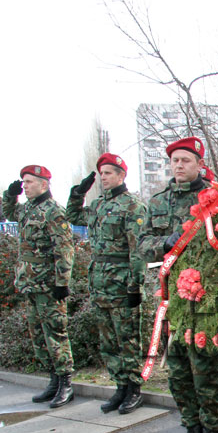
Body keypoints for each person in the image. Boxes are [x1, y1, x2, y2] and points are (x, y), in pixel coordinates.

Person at [138, 136, 218, 433]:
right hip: (173, 301)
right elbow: (142, 244)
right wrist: (164, 242)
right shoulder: (158, 202)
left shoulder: (214, 199)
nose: (179, 165)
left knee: (207, 374)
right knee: (178, 374)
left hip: (206, 303)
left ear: (199, 164)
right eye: (174, 160)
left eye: (185, 160)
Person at [66, 154, 147, 414]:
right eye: (101, 174)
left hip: (121, 283)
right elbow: (73, 216)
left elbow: (138, 250)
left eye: (108, 173)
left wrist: (136, 286)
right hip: (100, 283)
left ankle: (134, 388)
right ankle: (120, 386)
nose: (103, 178)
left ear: (121, 175)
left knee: (127, 339)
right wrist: (78, 194)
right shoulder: (98, 204)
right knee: (109, 340)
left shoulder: (132, 206)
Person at [2, 165, 75, 407]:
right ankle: (53, 380)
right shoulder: (27, 209)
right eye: (23, 182)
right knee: (39, 337)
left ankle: (66, 383)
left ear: (43, 184)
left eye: (29, 182)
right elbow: (8, 213)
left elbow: (64, 249)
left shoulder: (54, 211)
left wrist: (62, 283)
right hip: (30, 284)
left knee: (56, 334)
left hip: (48, 285)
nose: (25, 186)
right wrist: (10, 195)